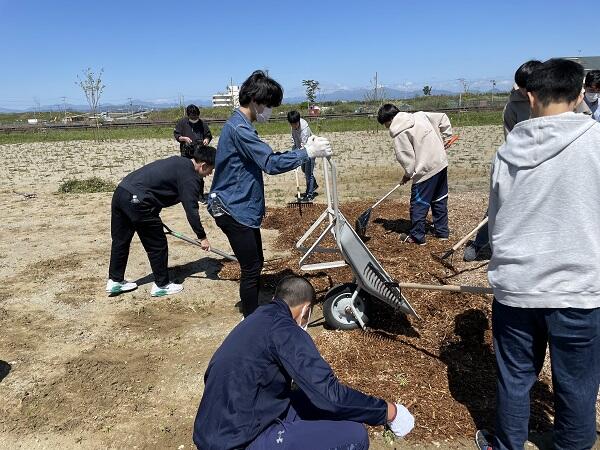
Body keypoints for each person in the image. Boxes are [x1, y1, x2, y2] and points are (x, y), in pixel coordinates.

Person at [475, 58, 600, 450]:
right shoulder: (595, 142)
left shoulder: (506, 152)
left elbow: (495, 225)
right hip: (578, 289)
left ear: (529, 96)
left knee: (515, 379)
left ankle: (508, 443)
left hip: (516, 287)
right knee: (577, 385)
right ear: (581, 94)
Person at [193, 275, 414, 450]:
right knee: (354, 435)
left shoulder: (258, 319)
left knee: (305, 398)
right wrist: (388, 411)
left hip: (214, 428)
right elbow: (331, 396)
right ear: (306, 310)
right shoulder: (286, 331)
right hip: (237, 442)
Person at [207, 70, 332, 317]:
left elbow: (267, 157)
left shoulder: (240, 125)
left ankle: (252, 312)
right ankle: (251, 320)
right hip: (233, 209)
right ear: (255, 101)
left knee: (256, 261)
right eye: (269, 105)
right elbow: (270, 164)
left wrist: (303, 150)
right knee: (251, 267)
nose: (270, 111)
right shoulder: (239, 129)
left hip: (240, 207)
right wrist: (307, 153)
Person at [106, 144, 216, 297]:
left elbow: (156, 186)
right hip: (138, 201)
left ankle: (115, 280)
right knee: (157, 245)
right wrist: (202, 237)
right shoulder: (190, 177)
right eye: (211, 169)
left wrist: (153, 213)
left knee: (120, 240)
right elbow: (191, 210)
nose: (210, 174)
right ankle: (162, 285)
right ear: (203, 165)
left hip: (121, 192)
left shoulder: (179, 162)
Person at [464, 60, 542, 262]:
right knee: (499, 205)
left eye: (528, 88)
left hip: (551, 169)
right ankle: (480, 243)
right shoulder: (513, 106)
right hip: (522, 164)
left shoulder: (557, 101)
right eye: (522, 88)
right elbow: (511, 140)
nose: (526, 93)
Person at [377, 103, 453, 245]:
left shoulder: (400, 134)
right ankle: (442, 232)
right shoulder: (420, 115)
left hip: (425, 171)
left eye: (385, 124)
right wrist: (447, 137)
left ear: (389, 120)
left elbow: (407, 160)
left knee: (419, 203)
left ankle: (417, 236)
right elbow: (442, 117)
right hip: (441, 163)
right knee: (439, 199)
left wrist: (408, 174)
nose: (387, 127)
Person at [173, 104, 213, 203]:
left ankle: (200, 195)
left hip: (199, 152)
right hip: (186, 152)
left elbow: (208, 135)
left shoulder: (202, 123)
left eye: (196, 116)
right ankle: (185, 194)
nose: (194, 118)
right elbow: (176, 135)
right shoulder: (182, 122)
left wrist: (206, 140)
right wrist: (184, 138)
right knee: (186, 173)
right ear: (188, 115)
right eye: (192, 117)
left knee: (199, 174)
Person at [287, 110, 318, 200]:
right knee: (304, 169)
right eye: (291, 124)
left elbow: (304, 145)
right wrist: (294, 149)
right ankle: (313, 185)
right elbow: (294, 138)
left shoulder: (305, 129)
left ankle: (310, 194)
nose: (293, 126)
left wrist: (297, 156)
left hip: (310, 150)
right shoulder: (293, 126)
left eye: (294, 124)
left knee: (309, 173)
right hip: (302, 150)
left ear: (298, 121)